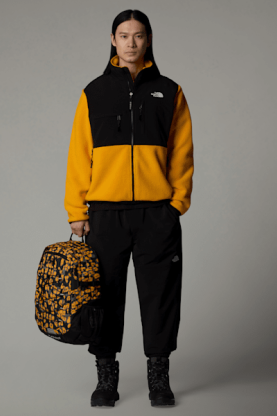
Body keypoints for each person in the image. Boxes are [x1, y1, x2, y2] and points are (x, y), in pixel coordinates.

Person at [64, 9, 194, 407]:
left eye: (138, 35)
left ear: (148, 39)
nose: (131, 42)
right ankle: (106, 378)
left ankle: (159, 377)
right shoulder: (93, 92)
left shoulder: (170, 92)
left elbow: (182, 153)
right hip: (105, 214)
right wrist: (77, 210)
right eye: (124, 35)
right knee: (103, 296)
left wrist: (176, 204)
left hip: (157, 213)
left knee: (161, 295)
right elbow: (79, 154)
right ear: (113, 40)